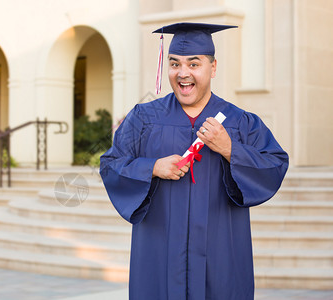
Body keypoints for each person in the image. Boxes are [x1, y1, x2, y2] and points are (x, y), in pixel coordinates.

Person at [100, 22, 289, 300]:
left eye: (194, 64)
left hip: (219, 257)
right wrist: (152, 167)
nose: (183, 73)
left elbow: (275, 164)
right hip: (160, 255)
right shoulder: (144, 118)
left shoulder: (239, 122)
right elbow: (110, 164)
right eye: (175, 64)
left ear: (212, 68)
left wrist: (230, 149)